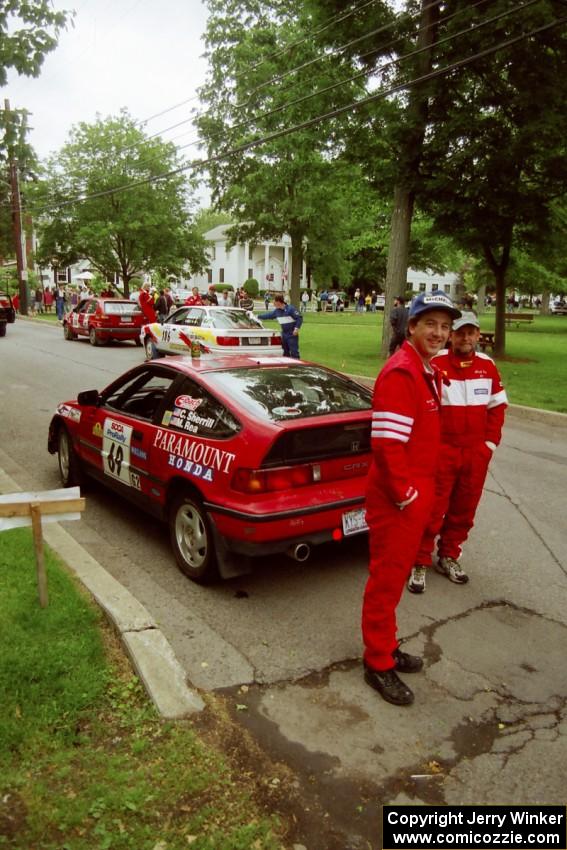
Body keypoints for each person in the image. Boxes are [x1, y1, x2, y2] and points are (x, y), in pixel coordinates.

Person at [361, 291, 461, 706]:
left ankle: (385, 645)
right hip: (397, 501)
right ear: (412, 326)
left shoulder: (425, 369)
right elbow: (387, 446)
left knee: (395, 578)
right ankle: (377, 663)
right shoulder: (402, 372)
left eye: (445, 326)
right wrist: (406, 496)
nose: (439, 333)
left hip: (413, 497)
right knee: (385, 582)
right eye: (430, 324)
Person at [407, 312, 508, 594]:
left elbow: (497, 407)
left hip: (475, 453)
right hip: (443, 452)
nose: (465, 338)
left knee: (464, 509)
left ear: (478, 335)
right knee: (432, 509)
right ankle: (419, 560)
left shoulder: (487, 366)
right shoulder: (435, 364)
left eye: (471, 332)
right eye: (460, 332)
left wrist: (489, 445)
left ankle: (449, 555)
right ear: (452, 335)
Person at [257, 294, 303, 358]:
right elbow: (268, 315)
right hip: (284, 334)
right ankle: (287, 366)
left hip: (292, 334)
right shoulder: (277, 311)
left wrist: (296, 328)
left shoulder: (290, 309)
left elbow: (299, 318)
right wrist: (257, 316)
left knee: (294, 352)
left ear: (278, 302)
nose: (273, 303)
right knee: (285, 352)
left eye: (274, 302)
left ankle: (296, 366)